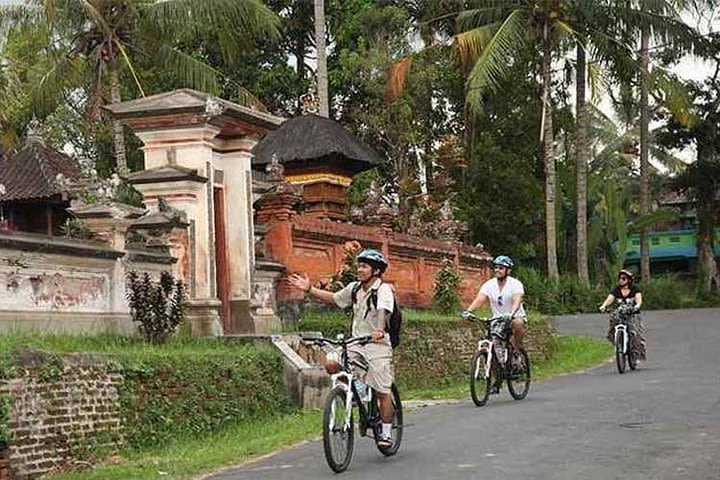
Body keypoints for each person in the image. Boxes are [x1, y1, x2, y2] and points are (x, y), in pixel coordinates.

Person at [287, 249, 396, 448]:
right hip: (356, 342)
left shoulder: (384, 290)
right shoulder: (355, 288)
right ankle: (355, 391)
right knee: (331, 362)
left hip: (377, 344)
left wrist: (379, 329)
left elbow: (383, 310)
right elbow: (335, 298)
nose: (360, 269)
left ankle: (386, 433)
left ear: (376, 270)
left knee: (382, 391)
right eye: (359, 265)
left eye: (364, 266)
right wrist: (309, 289)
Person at [461, 255, 527, 393]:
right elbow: (480, 299)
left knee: (518, 323)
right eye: (496, 267)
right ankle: (497, 381)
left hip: (513, 316)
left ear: (508, 270)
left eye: (501, 268)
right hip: (497, 319)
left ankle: (516, 351)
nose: (497, 270)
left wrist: (512, 312)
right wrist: (468, 311)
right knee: (493, 347)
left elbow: (517, 299)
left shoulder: (515, 284)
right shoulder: (489, 285)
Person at [599, 269, 646, 360]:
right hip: (620, 313)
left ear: (628, 280)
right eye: (619, 278)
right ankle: (618, 347)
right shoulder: (616, 289)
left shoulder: (635, 289)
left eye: (623, 278)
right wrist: (603, 306)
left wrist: (637, 306)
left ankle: (636, 356)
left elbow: (639, 300)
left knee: (636, 334)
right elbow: (610, 299)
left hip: (632, 313)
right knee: (612, 327)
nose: (620, 280)